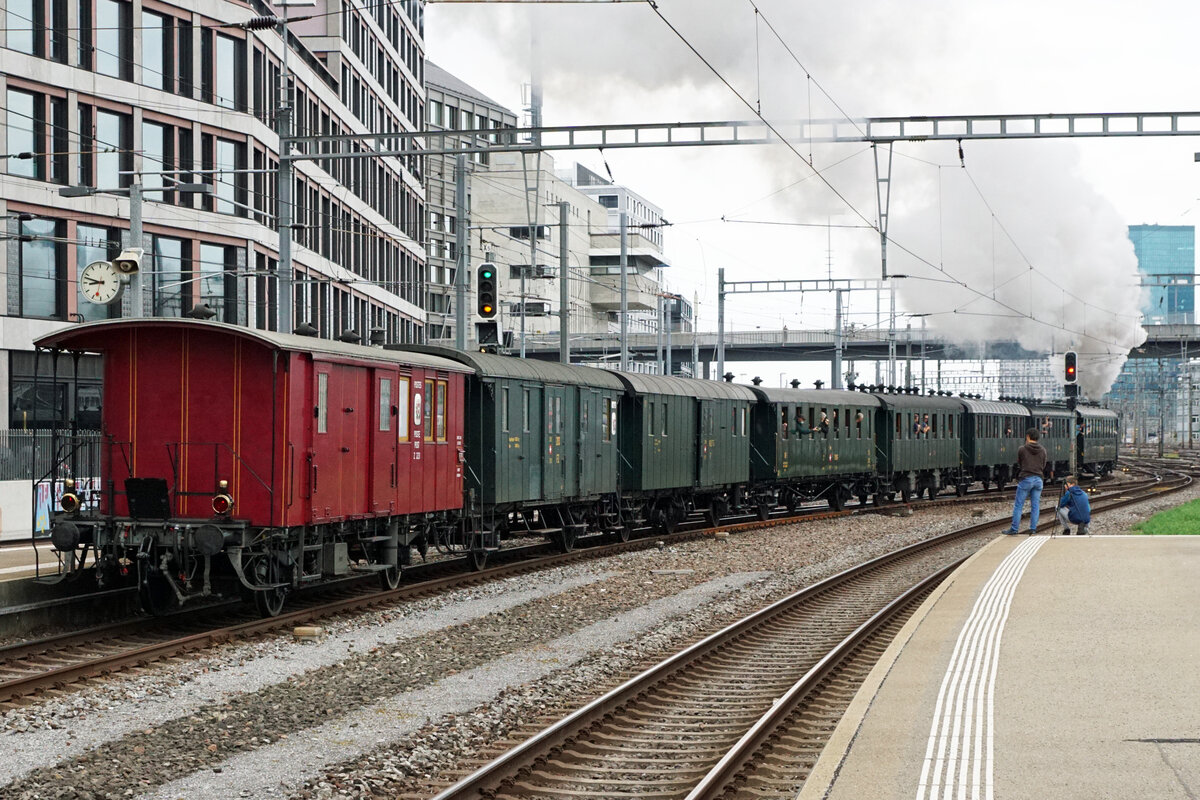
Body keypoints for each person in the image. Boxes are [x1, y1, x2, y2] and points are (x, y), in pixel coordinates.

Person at [1006, 427, 1047, 535]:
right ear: (1037, 438)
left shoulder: (1022, 449)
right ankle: (1033, 529)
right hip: (1038, 479)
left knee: (1019, 505)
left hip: (1026, 478)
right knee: (1035, 505)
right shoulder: (1043, 450)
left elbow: (1019, 462)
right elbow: (1044, 464)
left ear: (1028, 437)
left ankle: (1014, 529)